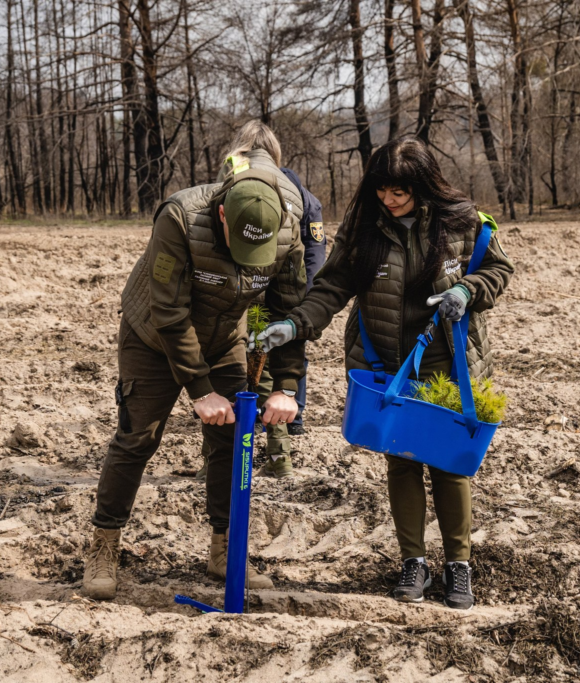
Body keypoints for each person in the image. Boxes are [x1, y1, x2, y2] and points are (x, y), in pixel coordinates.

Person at [254, 137, 514, 609]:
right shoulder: (364, 226)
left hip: (446, 360)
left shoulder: (462, 221)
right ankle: (413, 562)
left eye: (399, 192)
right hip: (387, 361)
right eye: (382, 191)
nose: (389, 201)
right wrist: (295, 324)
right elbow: (331, 286)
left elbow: (498, 269)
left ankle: (459, 567)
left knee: (450, 461)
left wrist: (467, 291)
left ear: (423, 185)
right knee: (403, 458)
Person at [81, 141, 308, 600]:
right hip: (151, 335)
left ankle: (225, 550)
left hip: (225, 335)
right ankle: (103, 546)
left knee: (231, 441)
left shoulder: (290, 227)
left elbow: (290, 312)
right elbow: (168, 311)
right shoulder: (180, 217)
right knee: (137, 436)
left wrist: (285, 385)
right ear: (223, 215)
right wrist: (200, 389)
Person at [196, 121, 327, 480]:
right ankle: (273, 454)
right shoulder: (282, 186)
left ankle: (240, 457)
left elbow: (312, 250)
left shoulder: (274, 187)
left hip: (260, 293)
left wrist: (304, 308)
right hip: (264, 292)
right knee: (255, 370)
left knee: (236, 370)